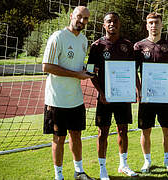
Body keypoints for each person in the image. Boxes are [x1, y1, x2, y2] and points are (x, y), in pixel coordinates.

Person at [42, 6, 95, 180]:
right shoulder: (58, 37)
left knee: (76, 135)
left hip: (76, 99)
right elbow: (47, 66)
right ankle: (59, 177)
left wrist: (86, 72)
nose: (82, 21)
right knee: (59, 138)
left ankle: (79, 172)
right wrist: (76, 74)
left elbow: (77, 67)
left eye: (86, 18)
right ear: (71, 16)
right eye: (79, 17)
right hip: (57, 99)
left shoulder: (83, 40)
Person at [87, 12, 138, 180]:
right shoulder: (97, 46)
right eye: (109, 21)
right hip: (105, 98)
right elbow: (90, 72)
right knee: (103, 133)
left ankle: (123, 164)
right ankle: (103, 169)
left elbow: (133, 71)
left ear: (119, 24)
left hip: (123, 97)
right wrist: (101, 93)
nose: (112, 24)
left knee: (123, 130)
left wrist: (137, 89)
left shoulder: (127, 45)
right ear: (104, 25)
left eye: (115, 21)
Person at [134, 12, 168, 174]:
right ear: (147, 26)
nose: (154, 25)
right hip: (146, 97)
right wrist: (139, 90)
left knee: (167, 129)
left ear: (162, 25)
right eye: (151, 23)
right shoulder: (139, 46)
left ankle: (167, 161)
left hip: (164, 96)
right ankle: (147, 161)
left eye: (157, 22)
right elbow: (133, 71)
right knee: (145, 130)